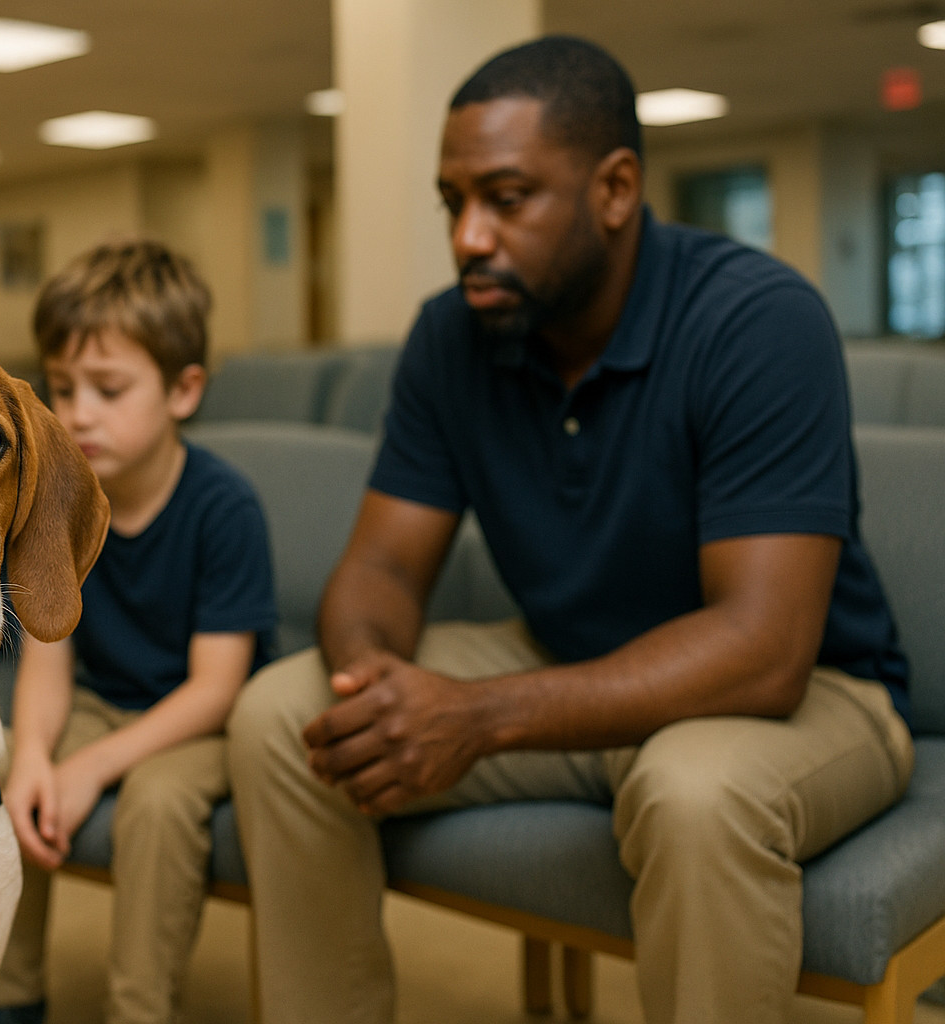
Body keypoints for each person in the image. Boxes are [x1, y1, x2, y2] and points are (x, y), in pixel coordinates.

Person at [226, 35, 913, 1024]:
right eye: (452, 203)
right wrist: (373, 681)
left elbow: (764, 649)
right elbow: (379, 564)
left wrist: (477, 715)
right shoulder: (450, 336)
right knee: (285, 718)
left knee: (696, 795)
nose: (468, 236)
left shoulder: (756, 320)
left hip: (802, 694)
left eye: (507, 198)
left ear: (617, 189)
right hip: (565, 660)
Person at [0, 239, 277, 1024]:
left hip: (200, 722)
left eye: (109, 389)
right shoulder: (54, 502)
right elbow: (49, 663)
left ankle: (138, 1009)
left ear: (184, 391)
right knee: (2, 760)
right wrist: (41, 758)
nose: (78, 412)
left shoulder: (224, 507)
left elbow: (217, 689)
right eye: (63, 386)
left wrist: (94, 768)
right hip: (98, 702)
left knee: (155, 804)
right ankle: (8, 1000)